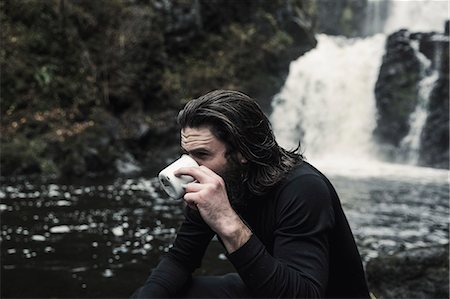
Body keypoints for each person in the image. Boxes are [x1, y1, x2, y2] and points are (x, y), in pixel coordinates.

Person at [131, 90, 370, 298]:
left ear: (242, 152)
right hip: (263, 288)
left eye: (202, 155)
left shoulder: (303, 188)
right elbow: (181, 258)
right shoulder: (217, 179)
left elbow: (303, 294)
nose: (189, 167)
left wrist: (228, 223)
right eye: (187, 154)